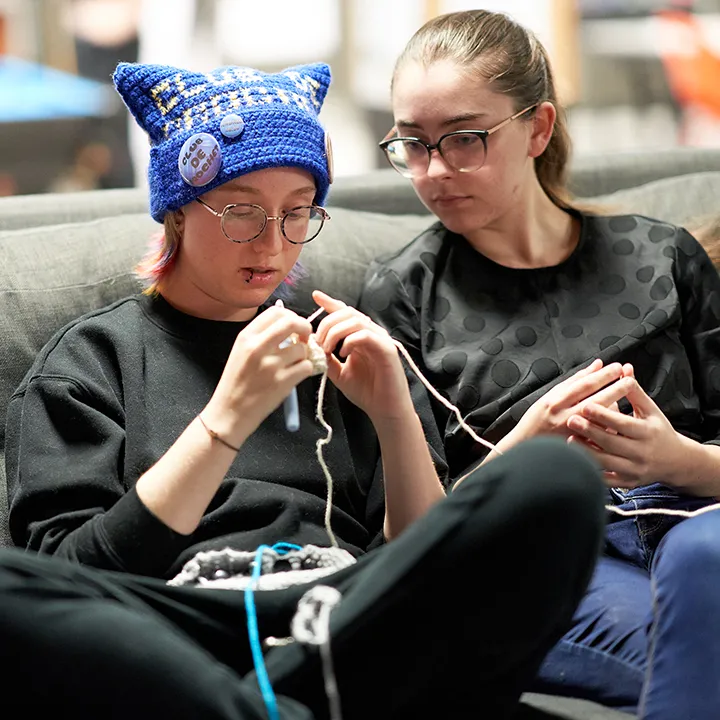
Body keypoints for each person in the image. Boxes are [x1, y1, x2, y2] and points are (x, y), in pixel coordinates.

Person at [1, 60, 605, 719]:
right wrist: (224, 420)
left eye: (297, 215)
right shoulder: (93, 360)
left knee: (555, 475)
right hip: (180, 628)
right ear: (175, 210)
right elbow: (76, 579)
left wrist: (394, 410)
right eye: (241, 213)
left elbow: (423, 564)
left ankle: (276, 693)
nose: (271, 244)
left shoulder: (345, 352)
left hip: (346, 611)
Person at [360, 9, 720, 720]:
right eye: (413, 143)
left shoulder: (662, 255)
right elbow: (404, 545)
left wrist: (677, 460)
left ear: (539, 127)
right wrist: (530, 442)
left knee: (707, 559)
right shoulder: (401, 294)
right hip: (540, 554)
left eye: (465, 139)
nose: (435, 171)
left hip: (694, 521)